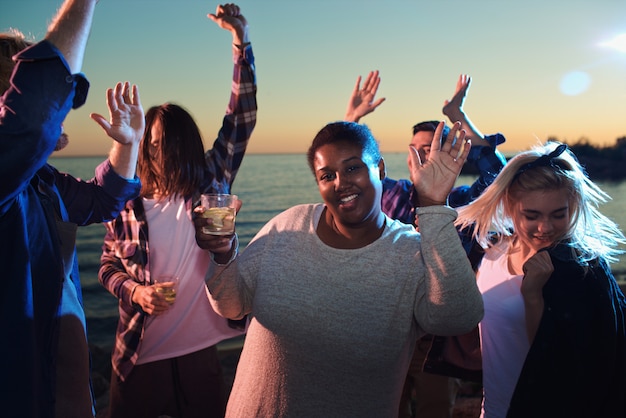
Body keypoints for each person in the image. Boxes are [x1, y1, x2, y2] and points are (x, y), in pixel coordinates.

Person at [194, 120, 484, 417]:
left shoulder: (410, 253)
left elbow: (458, 317)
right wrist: (223, 253)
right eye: (326, 175)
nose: (340, 183)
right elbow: (231, 305)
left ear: (380, 169)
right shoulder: (288, 226)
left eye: (352, 168)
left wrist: (433, 206)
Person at [98, 3, 257, 417]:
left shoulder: (209, 180)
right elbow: (106, 265)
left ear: (186, 146)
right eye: (150, 144)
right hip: (138, 351)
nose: (158, 152)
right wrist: (136, 292)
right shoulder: (125, 202)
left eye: (167, 143)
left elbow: (241, 116)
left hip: (200, 351)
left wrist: (239, 39)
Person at [0, 0, 145, 416]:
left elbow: (103, 200)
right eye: (17, 87)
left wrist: (128, 143)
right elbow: (30, 123)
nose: (61, 102)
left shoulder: (40, 182)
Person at [345, 71, 507, 418]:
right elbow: (352, 171)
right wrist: (353, 120)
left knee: (436, 408)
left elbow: (499, 178)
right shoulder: (389, 195)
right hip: (387, 328)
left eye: (432, 149)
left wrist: (457, 116)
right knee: (382, 406)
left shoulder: (465, 204)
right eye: (417, 150)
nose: (423, 157)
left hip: (438, 337)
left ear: (453, 154)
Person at [455, 141, 626, 417]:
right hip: (494, 409)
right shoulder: (492, 251)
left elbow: (563, 359)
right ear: (510, 205)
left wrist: (533, 295)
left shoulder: (581, 270)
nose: (545, 228)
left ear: (573, 206)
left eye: (559, 214)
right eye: (531, 215)